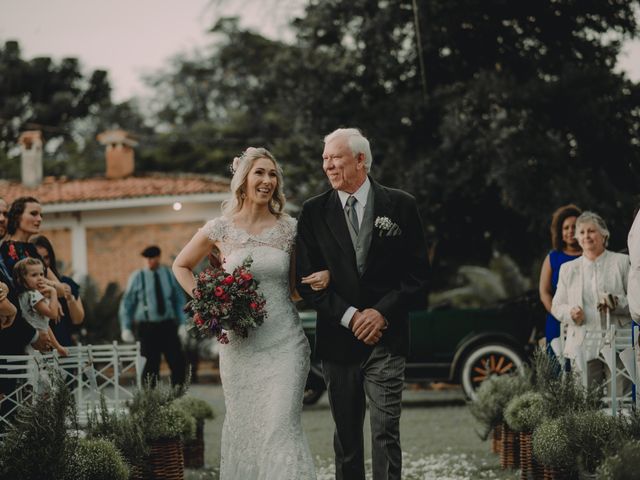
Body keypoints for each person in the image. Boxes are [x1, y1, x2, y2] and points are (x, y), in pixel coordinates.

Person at [172, 147, 318, 479]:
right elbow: (180, 265)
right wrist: (210, 302)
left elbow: (296, 289)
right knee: (246, 431)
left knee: (281, 429)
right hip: (240, 348)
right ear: (244, 179)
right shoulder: (220, 229)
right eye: (260, 173)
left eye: (272, 174)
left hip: (285, 344)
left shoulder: (290, 229)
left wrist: (323, 278)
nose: (267, 180)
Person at [295, 128, 430, 480]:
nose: (327, 165)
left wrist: (381, 312)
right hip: (338, 343)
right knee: (348, 441)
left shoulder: (401, 205)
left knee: (386, 434)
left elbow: (418, 276)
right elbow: (306, 283)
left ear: (360, 160)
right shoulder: (312, 212)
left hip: (387, 339)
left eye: (335, 157)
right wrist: (352, 316)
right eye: (324, 158)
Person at [552, 211, 631, 390]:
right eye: (582, 232)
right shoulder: (568, 269)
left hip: (617, 341)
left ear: (604, 234)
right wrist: (571, 313)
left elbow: (637, 301)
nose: (586, 236)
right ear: (577, 238)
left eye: (591, 231)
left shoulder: (622, 262)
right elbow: (557, 306)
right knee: (586, 402)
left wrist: (616, 303)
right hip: (582, 342)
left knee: (620, 401)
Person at [119, 245, 187, 386]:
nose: (149, 261)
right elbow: (127, 303)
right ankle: (152, 401)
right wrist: (125, 327)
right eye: (146, 258)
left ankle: (178, 395)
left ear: (158, 257)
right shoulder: (138, 277)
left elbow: (179, 300)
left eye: (152, 257)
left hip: (168, 326)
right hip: (147, 328)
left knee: (177, 362)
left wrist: (183, 324)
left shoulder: (168, 274)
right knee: (149, 367)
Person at [538, 204, 582, 355]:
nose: (570, 231)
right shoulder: (553, 258)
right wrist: (559, 313)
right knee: (559, 366)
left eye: (574, 227)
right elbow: (544, 292)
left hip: (587, 320)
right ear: (560, 232)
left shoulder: (590, 256)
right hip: (558, 320)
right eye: (566, 228)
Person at [30, 235, 84, 346]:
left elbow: (78, 319)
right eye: (38, 258)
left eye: (46, 258)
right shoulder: (26, 287)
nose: (43, 263)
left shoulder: (65, 282)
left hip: (65, 348)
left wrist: (70, 299)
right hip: (38, 349)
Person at [12, 257, 67, 357]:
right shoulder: (32, 295)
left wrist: (57, 346)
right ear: (21, 280)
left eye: (41, 274)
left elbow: (45, 325)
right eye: (34, 275)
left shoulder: (25, 295)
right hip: (34, 346)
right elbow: (53, 314)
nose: (40, 278)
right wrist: (53, 292)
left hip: (32, 342)